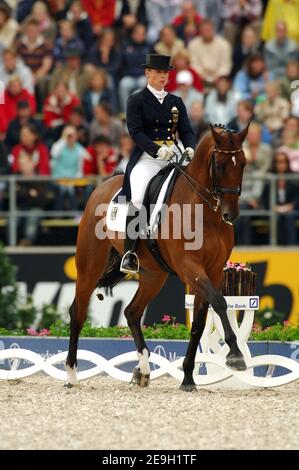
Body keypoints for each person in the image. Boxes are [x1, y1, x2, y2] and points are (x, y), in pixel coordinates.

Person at [118, 53, 196, 274]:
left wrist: (190, 147)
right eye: (158, 72)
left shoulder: (176, 101)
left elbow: (187, 131)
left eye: (165, 72)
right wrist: (156, 149)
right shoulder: (137, 99)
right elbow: (135, 132)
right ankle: (130, 252)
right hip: (148, 157)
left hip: (175, 155)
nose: (163, 76)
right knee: (139, 194)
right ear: (147, 73)